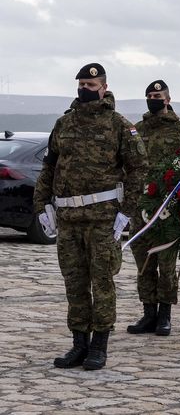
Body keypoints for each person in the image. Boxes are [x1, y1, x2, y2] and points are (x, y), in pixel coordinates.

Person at [34, 63, 148, 370]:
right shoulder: (64, 124)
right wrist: (41, 204)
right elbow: (49, 166)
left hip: (102, 218)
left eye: (91, 84)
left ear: (104, 88)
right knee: (74, 282)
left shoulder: (119, 125)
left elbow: (139, 169)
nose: (85, 89)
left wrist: (127, 212)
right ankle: (78, 344)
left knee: (101, 282)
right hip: (69, 217)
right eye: (81, 83)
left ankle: (99, 346)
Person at [127, 80, 180, 337]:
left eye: (157, 95)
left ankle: (165, 314)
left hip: (168, 208)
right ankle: (148, 313)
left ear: (167, 99)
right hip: (141, 206)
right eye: (149, 95)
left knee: (166, 263)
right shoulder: (137, 129)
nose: (152, 99)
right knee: (144, 261)